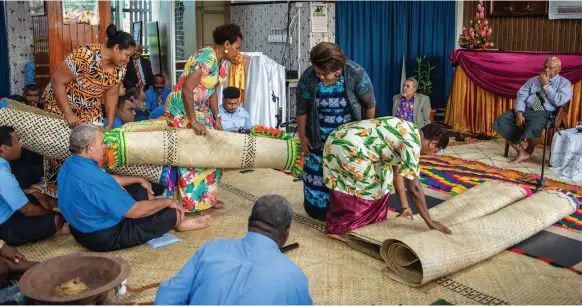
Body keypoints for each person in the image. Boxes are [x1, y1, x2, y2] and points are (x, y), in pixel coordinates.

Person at [58, 125, 212, 252]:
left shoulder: (70, 164)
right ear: (90, 148)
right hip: (103, 237)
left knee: (139, 188)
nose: (105, 146)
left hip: (78, 229)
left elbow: (110, 180)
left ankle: (168, 215)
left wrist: (138, 179)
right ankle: (179, 222)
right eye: (101, 143)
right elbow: (135, 211)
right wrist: (167, 201)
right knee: (173, 212)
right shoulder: (96, 180)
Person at [154, 194, 312, 305]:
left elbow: (168, 296)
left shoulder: (211, 249)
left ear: (250, 222)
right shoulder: (294, 278)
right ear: (286, 232)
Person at [41, 24, 135, 198]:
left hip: (90, 108)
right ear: (116, 48)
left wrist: (111, 122)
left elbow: (112, 93)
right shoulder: (85, 55)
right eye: (127, 55)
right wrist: (68, 113)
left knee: (95, 149)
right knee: (60, 153)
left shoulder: (121, 67)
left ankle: (89, 192)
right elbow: (57, 81)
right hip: (61, 105)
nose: (127, 60)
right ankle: (58, 197)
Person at [323, 118, 452, 241]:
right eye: (435, 150)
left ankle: (342, 222)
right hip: (350, 148)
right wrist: (429, 221)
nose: (431, 154)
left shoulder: (408, 129)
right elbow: (415, 188)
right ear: (432, 143)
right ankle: (343, 230)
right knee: (370, 185)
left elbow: (397, 174)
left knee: (383, 174)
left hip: (336, 138)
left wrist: (404, 207)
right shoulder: (412, 145)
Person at [164, 23, 243, 212]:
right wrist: (192, 121)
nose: (238, 52)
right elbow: (187, 88)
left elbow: (212, 91)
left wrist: (217, 117)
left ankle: (207, 199)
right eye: (237, 47)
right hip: (181, 110)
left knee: (213, 151)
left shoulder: (222, 61)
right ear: (226, 43)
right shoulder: (206, 57)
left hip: (201, 109)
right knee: (193, 154)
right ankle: (190, 204)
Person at [296, 42, 376, 221]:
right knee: (316, 177)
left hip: (348, 142)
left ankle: (345, 216)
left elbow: (369, 104)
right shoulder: (309, 77)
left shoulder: (356, 74)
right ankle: (317, 211)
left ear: (338, 67)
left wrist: (365, 135)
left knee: (346, 178)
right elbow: (301, 110)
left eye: (325, 73)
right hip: (318, 138)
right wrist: (303, 137)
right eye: (318, 72)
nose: (321, 77)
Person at [492, 56, 573, 164]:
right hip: (527, 108)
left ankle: (529, 149)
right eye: (545, 67)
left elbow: (559, 101)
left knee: (532, 128)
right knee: (501, 121)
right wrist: (519, 112)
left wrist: (546, 85)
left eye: (551, 68)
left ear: (559, 69)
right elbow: (521, 95)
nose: (546, 70)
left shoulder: (564, 83)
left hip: (545, 111)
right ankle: (521, 152)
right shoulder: (533, 80)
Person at [0, 126, 67, 246]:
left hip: (7, 208)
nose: (21, 145)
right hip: (5, 225)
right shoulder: (3, 175)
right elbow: (28, 210)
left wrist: (24, 191)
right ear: (4, 148)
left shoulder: (3, 166)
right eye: (17, 142)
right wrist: (51, 213)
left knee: (36, 194)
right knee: (57, 219)